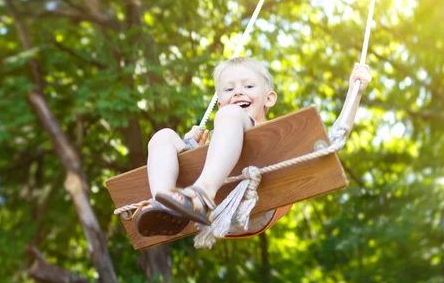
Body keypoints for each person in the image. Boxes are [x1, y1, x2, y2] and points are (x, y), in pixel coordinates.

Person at [134, 56, 371, 237]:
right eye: (228, 89)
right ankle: (163, 205)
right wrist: (190, 147)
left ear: (269, 98)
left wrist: (355, 93)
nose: (238, 91)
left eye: (248, 86)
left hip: (256, 207)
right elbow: (184, 150)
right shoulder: (222, 128)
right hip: (214, 214)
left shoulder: (277, 137)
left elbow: (333, 141)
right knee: (163, 136)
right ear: (218, 102)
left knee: (231, 116)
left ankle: (202, 194)